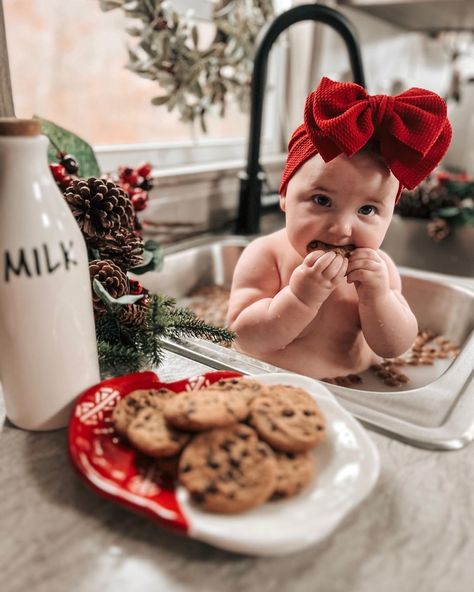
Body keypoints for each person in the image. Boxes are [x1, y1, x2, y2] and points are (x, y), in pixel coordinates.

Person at [227, 77, 452, 380]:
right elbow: (241, 338)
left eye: (367, 210)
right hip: (272, 383)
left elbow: (394, 347)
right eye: (322, 200)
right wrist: (299, 298)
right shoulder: (265, 254)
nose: (342, 228)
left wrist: (378, 298)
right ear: (284, 195)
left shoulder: (379, 269)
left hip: (354, 385)